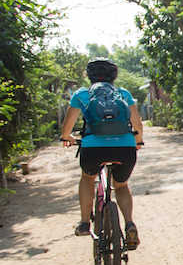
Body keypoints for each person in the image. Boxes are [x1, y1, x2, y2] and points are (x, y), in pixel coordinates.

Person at [60, 58, 144, 249]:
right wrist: (137, 141)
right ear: (114, 75)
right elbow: (137, 124)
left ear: (89, 76)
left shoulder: (81, 94)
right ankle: (129, 223)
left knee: (87, 178)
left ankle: (84, 223)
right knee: (121, 186)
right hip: (125, 148)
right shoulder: (123, 94)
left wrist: (68, 137)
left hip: (93, 149)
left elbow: (67, 128)